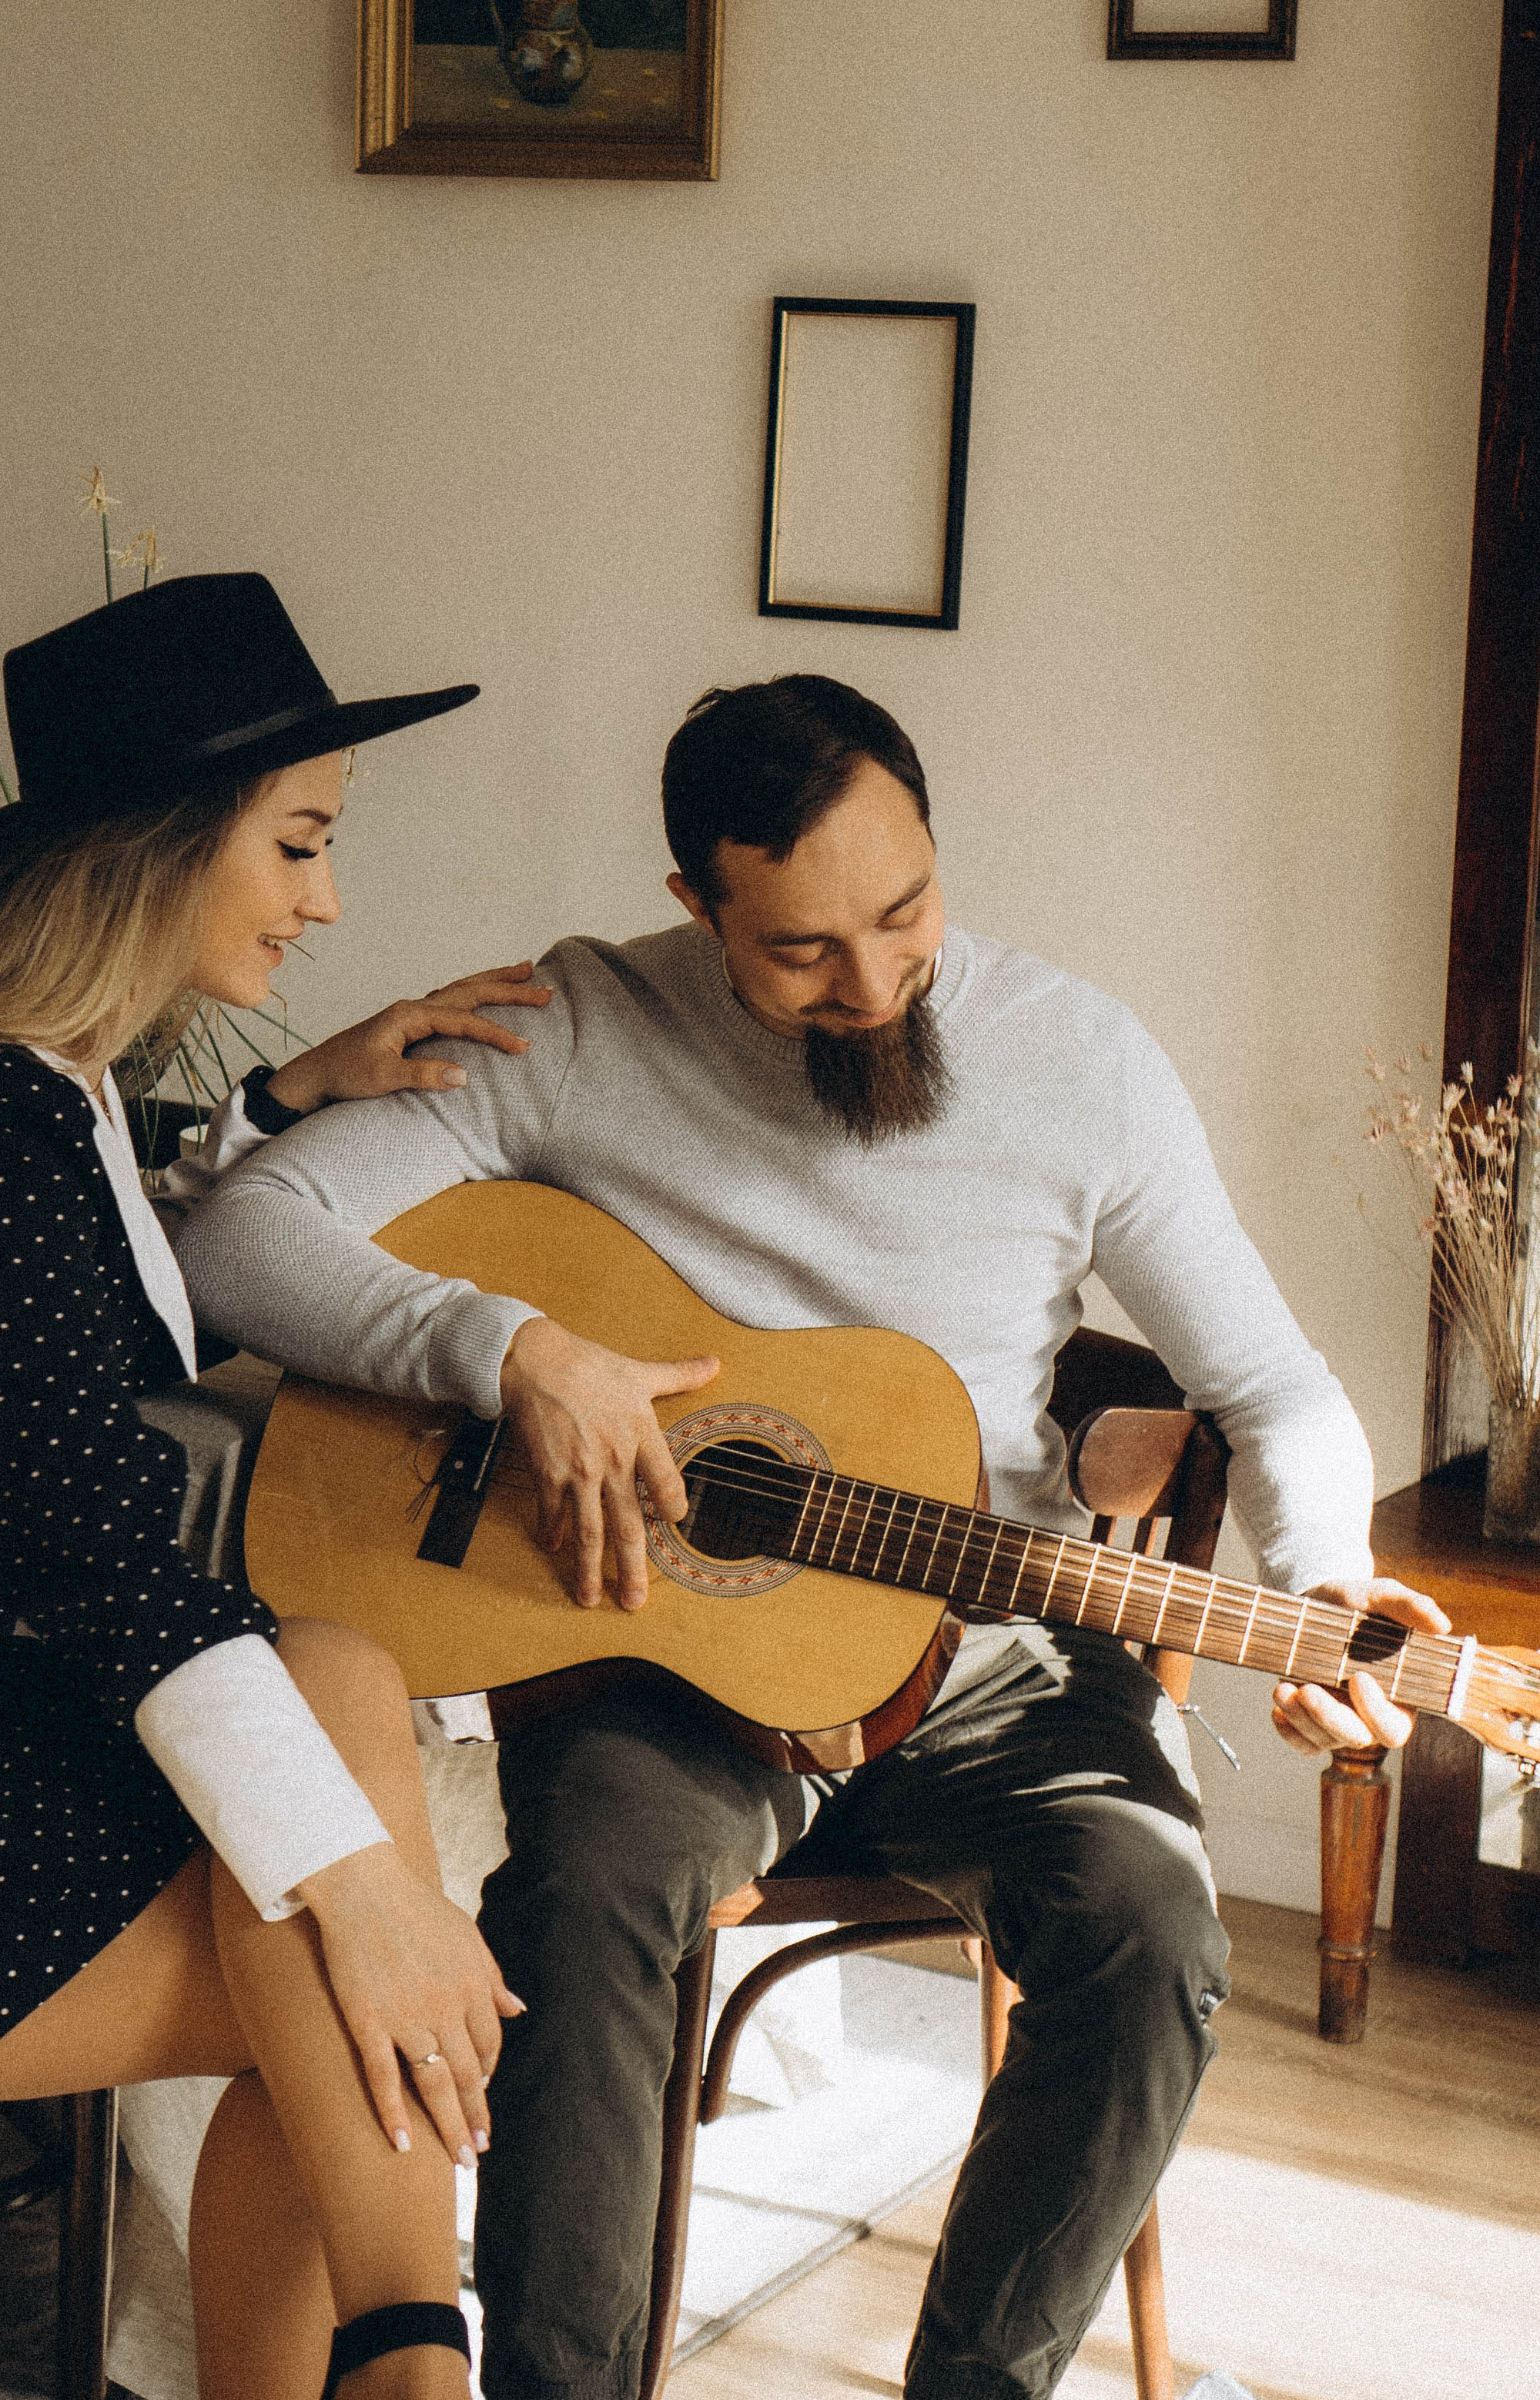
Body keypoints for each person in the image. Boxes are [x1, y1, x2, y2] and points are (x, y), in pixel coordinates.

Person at [178, 671, 1448, 2400]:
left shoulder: (1079, 1062)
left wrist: (1315, 1577)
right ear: (697, 905)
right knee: (579, 1903)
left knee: (1152, 1921)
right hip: (666, 1655)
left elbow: (1277, 1391)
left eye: (903, 910)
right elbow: (242, 1235)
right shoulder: (573, 1026)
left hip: (986, 1643)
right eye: (795, 953)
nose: (868, 985)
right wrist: (513, 1351)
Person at [0, 571, 558, 2400]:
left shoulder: (22, 1089)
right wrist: (363, 1889)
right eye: (298, 844)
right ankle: (418, 2362)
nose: (328, 899)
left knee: (336, 1673)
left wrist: (274, 1107)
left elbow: (102, 1239)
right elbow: (100, 1566)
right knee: (345, 1972)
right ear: (153, 850)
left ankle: (404, 2360)